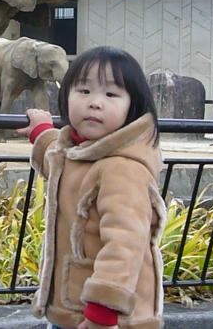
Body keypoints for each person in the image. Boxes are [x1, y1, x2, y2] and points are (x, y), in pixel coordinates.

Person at [17, 46, 166, 329]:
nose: (95, 102)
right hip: (73, 309)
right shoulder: (82, 153)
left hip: (110, 319)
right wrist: (41, 132)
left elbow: (125, 245)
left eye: (111, 94)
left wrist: (102, 314)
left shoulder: (121, 168)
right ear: (66, 95)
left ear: (132, 107)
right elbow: (58, 163)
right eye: (83, 91)